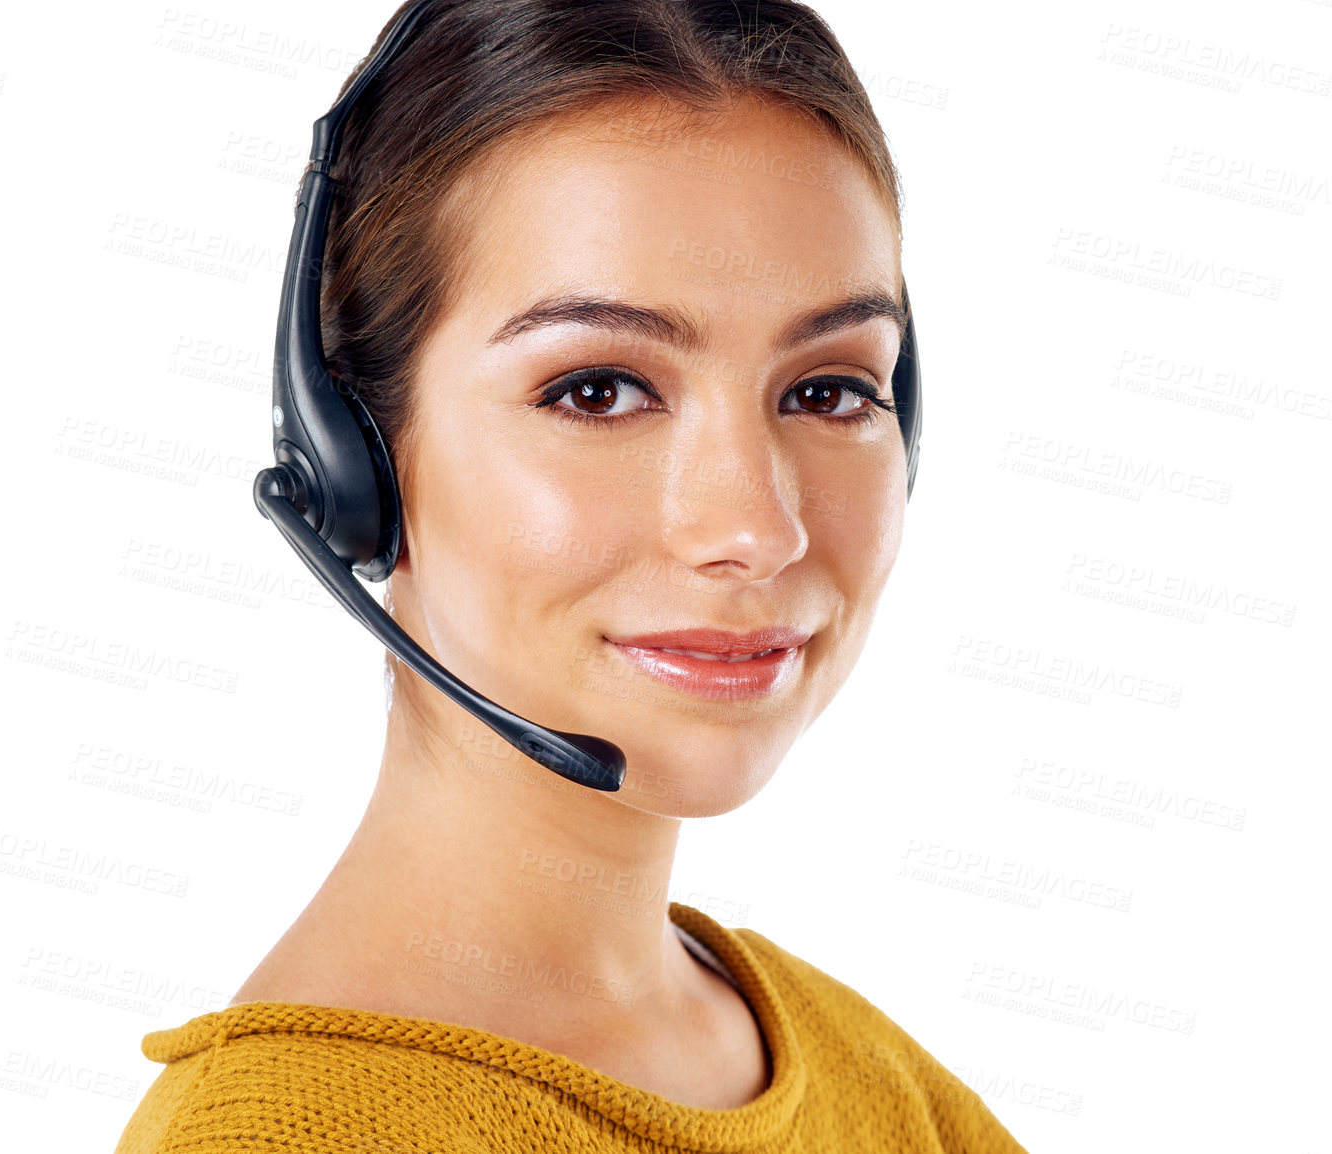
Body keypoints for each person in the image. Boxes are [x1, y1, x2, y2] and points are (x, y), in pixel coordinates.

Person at [115, 1, 1028, 1149]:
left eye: (827, 389)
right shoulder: (285, 1134)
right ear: (352, 452)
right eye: (595, 389)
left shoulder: (877, 1082)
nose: (755, 527)